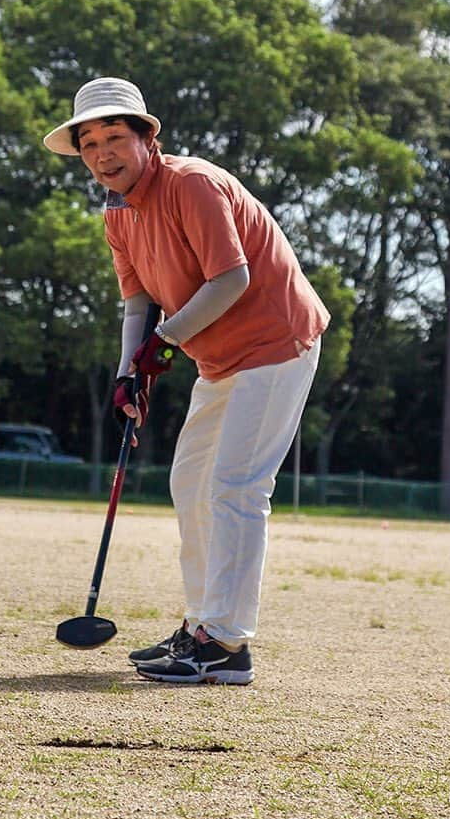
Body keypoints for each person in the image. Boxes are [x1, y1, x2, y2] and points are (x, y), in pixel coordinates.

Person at [43, 77, 329, 685]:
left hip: (277, 340)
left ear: (147, 137)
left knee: (235, 487)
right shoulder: (119, 216)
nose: (102, 154)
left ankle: (226, 645)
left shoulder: (192, 183)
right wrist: (129, 374)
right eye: (89, 144)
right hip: (218, 357)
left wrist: (163, 345)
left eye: (114, 137)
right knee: (191, 482)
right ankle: (201, 625)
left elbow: (232, 280)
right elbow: (138, 303)